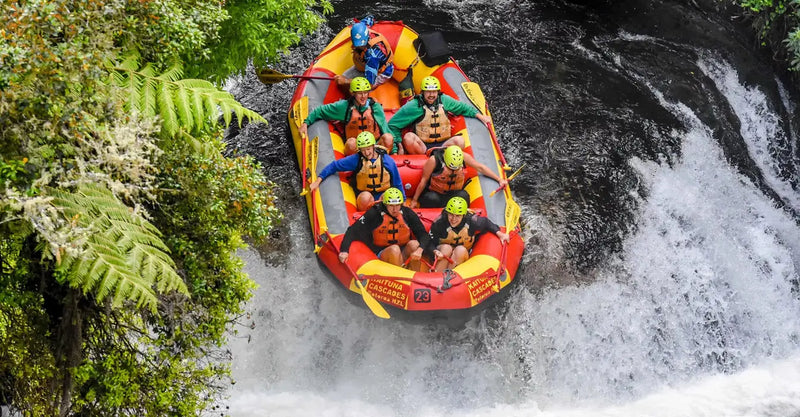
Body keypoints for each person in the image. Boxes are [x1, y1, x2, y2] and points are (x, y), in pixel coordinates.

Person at [388, 75, 492, 155]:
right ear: (422, 92)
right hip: (422, 147)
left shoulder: (445, 100)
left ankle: (446, 157)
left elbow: (463, 108)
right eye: (428, 92)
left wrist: (481, 117)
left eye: (434, 92)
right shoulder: (414, 105)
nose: (431, 95)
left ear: (438, 92)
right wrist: (398, 146)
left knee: (459, 140)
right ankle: (424, 159)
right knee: (408, 138)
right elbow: (393, 125)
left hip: (444, 144)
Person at [309, 131, 404, 211]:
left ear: (373, 146)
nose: (366, 153)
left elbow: (397, 184)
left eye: (368, 149)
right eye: (363, 150)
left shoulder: (388, 161)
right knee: (365, 197)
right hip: (364, 195)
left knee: (389, 197)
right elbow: (334, 166)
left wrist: (402, 202)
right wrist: (318, 180)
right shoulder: (356, 159)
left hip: (382, 194)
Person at [298, 77, 395, 155]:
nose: (363, 96)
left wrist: (394, 151)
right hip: (357, 149)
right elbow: (319, 111)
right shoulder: (344, 107)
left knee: (388, 137)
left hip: (374, 147)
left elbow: (384, 128)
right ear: (353, 94)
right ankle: (355, 168)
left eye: (365, 93)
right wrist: (306, 123)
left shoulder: (375, 107)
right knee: (351, 143)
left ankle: (379, 164)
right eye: (359, 93)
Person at [338, 187, 430, 268]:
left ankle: (415, 276)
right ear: (385, 204)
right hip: (382, 253)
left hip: (403, 251)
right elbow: (352, 231)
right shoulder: (374, 214)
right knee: (394, 249)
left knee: (414, 244)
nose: (395, 210)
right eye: (391, 206)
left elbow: (423, 235)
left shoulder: (407, 213)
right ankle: (400, 279)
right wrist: (344, 250)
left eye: (397, 205)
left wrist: (419, 250)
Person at [409, 145, 508, 209]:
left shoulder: (463, 157)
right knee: (431, 198)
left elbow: (480, 167)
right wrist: (414, 200)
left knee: (463, 195)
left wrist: (499, 179)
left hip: (453, 193)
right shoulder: (434, 160)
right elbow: (424, 180)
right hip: (436, 193)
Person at [428, 196, 510, 271]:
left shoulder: (472, 221)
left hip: (461, 254)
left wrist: (500, 234)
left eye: (457, 216)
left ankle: (449, 276)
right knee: (447, 248)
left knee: (460, 250)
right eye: (451, 215)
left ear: (463, 215)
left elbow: (486, 223)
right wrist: (434, 251)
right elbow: (429, 241)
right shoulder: (439, 223)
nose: (453, 219)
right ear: (447, 213)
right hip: (442, 252)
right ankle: (437, 275)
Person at [334, 17, 395, 91]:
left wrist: (347, 81)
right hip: (363, 65)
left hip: (381, 72)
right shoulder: (363, 28)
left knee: (360, 89)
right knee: (342, 78)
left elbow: (369, 84)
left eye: (361, 46)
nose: (359, 46)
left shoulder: (372, 57)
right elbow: (369, 19)